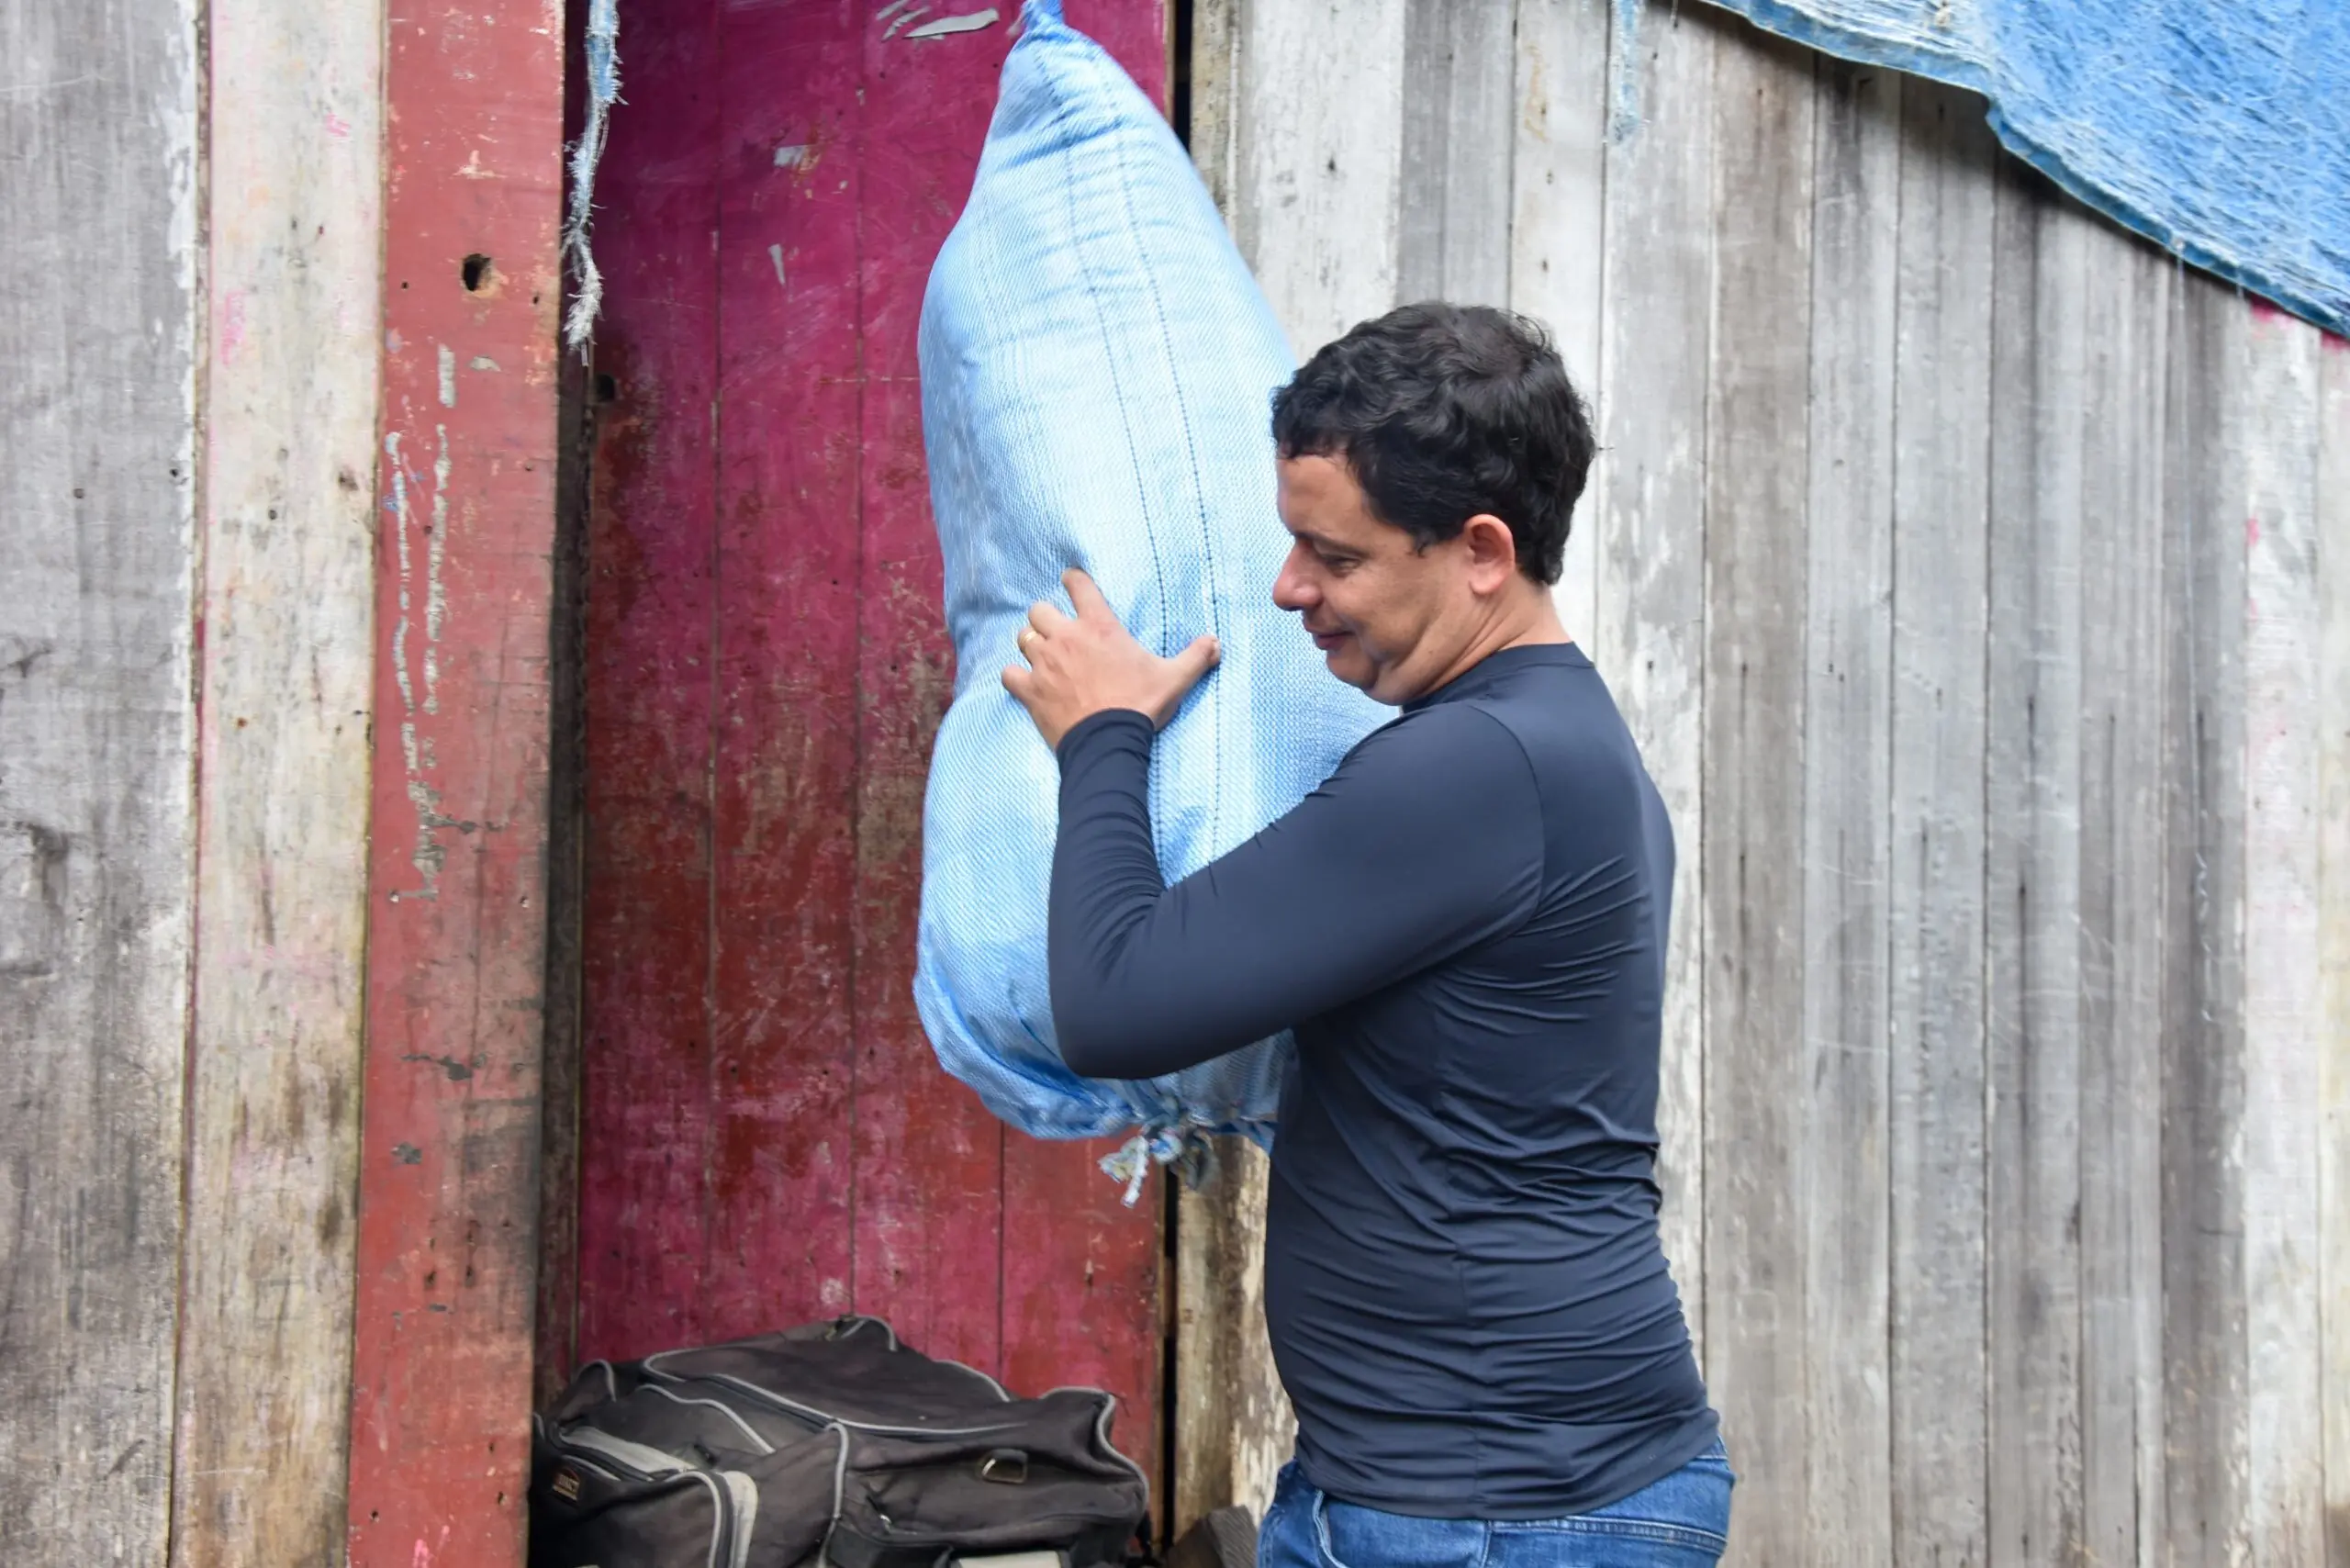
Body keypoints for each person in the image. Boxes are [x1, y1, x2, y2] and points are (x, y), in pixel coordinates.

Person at [1002, 302, 1730, 1567]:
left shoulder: (1478, 769)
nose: (1289, 587)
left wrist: (1103, 737)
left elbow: (1114, 1003)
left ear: (1482, 551)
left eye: (1334, 556)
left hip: (1499, 1517)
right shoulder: (1544, 741)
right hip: (1472, 1493)